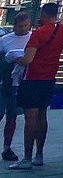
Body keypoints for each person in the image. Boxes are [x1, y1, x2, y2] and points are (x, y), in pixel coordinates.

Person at [11, 4, 63, 171]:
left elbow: (27, 59)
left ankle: (27, 157)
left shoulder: (38, 33)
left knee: (30, 118)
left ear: (43, 13)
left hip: (32, 78)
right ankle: (39, 155)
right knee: (43, 116)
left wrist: (15, 59)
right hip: (49, 78)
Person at [0, 14, 31, 163]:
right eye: (20, 26)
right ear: (14, 25)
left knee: (12, 117)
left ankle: (7, 148)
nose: (23, 29)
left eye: (26, 25)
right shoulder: (5, 40)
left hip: (20, 83)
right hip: (3, 82)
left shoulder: (32, 38)